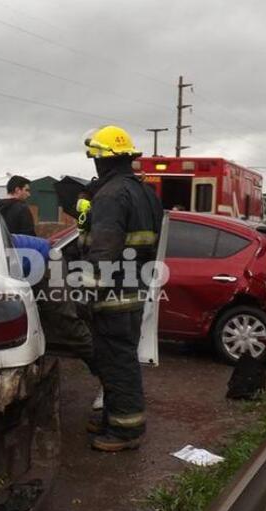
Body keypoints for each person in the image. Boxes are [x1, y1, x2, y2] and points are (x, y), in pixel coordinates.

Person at [80, 125, 163, 452]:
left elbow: (104, 250)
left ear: (103, 161)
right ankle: (113, 419)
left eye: (95, 159)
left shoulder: (111, 195)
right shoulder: (144, 192)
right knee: (115, 358)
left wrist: (86, 292)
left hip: (113, 294)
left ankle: (127, 431)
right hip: (135, 289)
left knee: (117, 362)